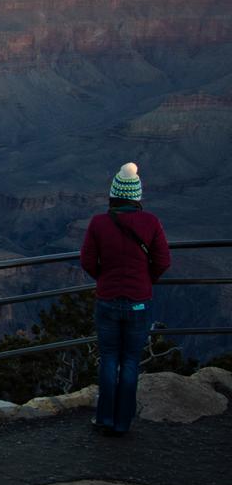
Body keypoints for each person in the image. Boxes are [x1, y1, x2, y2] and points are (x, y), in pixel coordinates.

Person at [80, 163, 170, 436]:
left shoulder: (99, 222)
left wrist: (104, 278)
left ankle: (104, 418)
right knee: (130, 360)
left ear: (114, 195)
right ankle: (123, 422)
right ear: (137, 196)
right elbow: (163, 261)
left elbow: (87, 261)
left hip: (107, 299)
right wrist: (146, 280)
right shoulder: (151, 222)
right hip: (138, 301)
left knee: (109, 358)